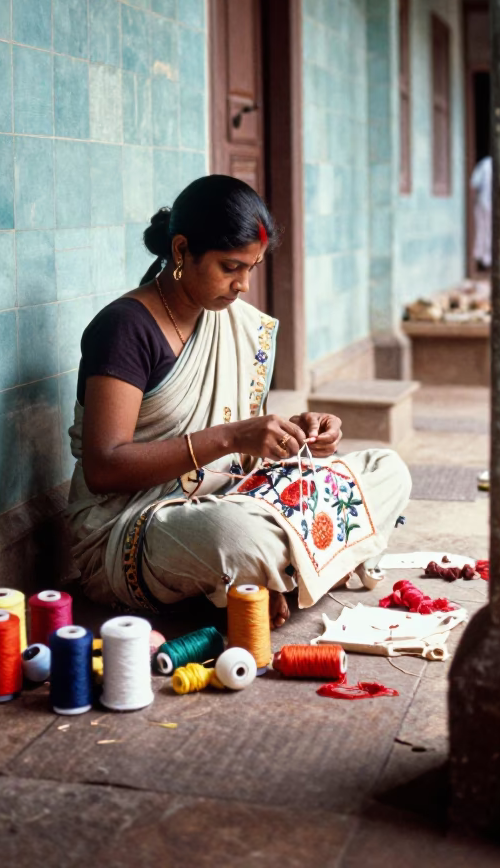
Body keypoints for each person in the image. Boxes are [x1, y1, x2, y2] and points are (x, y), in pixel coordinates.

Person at [66, 175, 411, 628]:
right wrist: (232, 436)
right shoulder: (125, 328)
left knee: (387, 471)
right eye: (230, 267)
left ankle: (261, 578)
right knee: (239, 537)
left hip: (230, 495)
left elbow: (241, 450)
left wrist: (294, 435)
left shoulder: (238, 326)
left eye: (252, 267)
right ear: (181, 250)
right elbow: (105, 468)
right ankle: (290, 568)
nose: (243, 284)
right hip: (137, 525)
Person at [470, 154, 493, 270]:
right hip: (485, 204)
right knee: (485, 232)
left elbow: (474, 184)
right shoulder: (486, 164)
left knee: (485, 232)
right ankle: (484, 261)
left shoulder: (485, 164)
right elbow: (474, 184)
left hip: (486, 204)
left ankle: (485, 260)